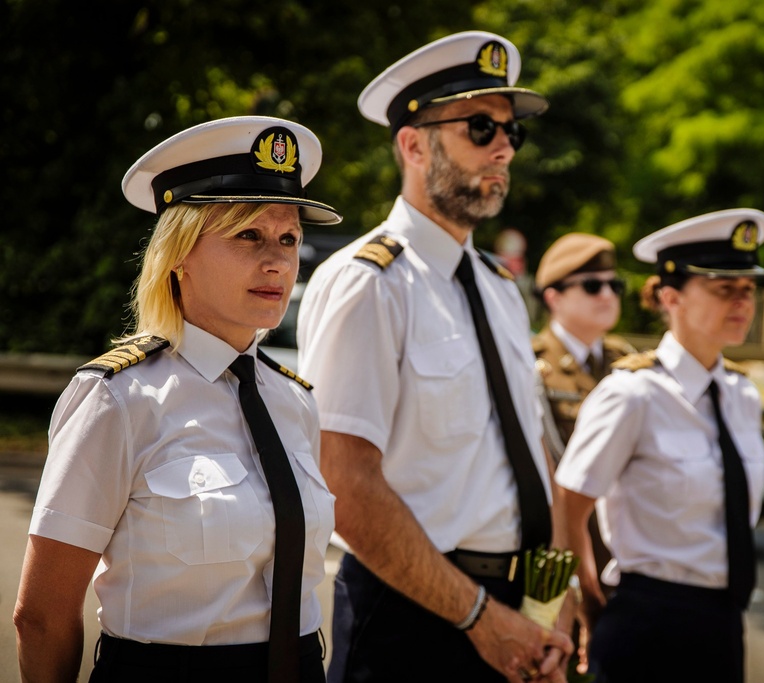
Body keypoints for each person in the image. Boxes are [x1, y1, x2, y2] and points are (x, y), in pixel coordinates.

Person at [13, 116, 343, 683]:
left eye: (288, 238)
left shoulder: (294, 400)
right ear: (178, 253)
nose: (278, 261)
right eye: (248, 235)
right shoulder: (118, 399)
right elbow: (41, 616)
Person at [296, 31, 574, 683]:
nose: (504, 147)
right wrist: (480, 618)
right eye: (481, 127)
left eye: (511, 131)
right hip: (413, 619)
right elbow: (344, 481)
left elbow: (536, 458)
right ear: (414, 145)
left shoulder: (501, 288)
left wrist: (552, 611)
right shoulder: (369, 283)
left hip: (517, 612)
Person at [554, 208, 764, 682]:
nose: (742, 301)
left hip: (724, 620)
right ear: (670, 296)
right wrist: (588, 601)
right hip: (647, 622)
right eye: (723, 288)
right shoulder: (632, 393)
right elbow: (569, 505)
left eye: (748, 289)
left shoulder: (741, 394)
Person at [531, 233, 635, 463]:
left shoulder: (625, 356)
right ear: (554, 298)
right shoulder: (530, 363)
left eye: (614, 285)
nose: (607, 295)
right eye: (592, 286)